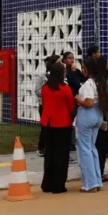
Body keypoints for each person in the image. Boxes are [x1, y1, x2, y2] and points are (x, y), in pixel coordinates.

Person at [40, 61, 75, 194]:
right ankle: (58, 184)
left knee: (49, 154)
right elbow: (71, 106)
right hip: (62, 124)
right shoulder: (65, 89)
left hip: (47, 124)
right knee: (61, 155)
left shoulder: (45, 88)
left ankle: (47, 183)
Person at [74, 57, 105, 192]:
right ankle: (96, 181)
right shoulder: (100, 82)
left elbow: (89, 102)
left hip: (87, 115)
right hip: (98, 115)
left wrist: (77, 99)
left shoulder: (88, 84)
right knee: (92, 148)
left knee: (85, 150)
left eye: (84, 67)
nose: (82, 70)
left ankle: (90, 184)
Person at [36, 54, 61, 157]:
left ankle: (52, 148)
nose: (61, 64)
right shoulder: (43, 76)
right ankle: (42, 147)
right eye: (59, 62)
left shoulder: (61, 76)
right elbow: (37, 90)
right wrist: (47, 96)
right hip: (45, 105)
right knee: (45, 127)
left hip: (56, 106)